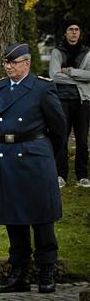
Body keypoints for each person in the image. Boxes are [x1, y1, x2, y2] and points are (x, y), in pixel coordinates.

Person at [0, 43, 66, 294]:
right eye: (6, 63)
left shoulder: (42, 89)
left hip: (35, 158)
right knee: (14, 219)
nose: (8, 66)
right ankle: (19, 272)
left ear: (26, 63)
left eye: (13, 62)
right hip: (8, 157)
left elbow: (59, 130)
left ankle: (46, 270)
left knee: (42, 217)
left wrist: (44, 154)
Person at [49, 20, 89, 188]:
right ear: (65, 33)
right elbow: (55, 76)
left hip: (82, 100)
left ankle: (82, 176)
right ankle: (61, 175)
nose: (74, 32)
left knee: (82, 140)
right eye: (70, 29)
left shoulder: (87, 52)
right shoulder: (57, 51)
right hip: (62, 100)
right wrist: (81, 77)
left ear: (80, 33)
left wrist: (70, 71)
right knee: (62, 138)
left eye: (77, 29)